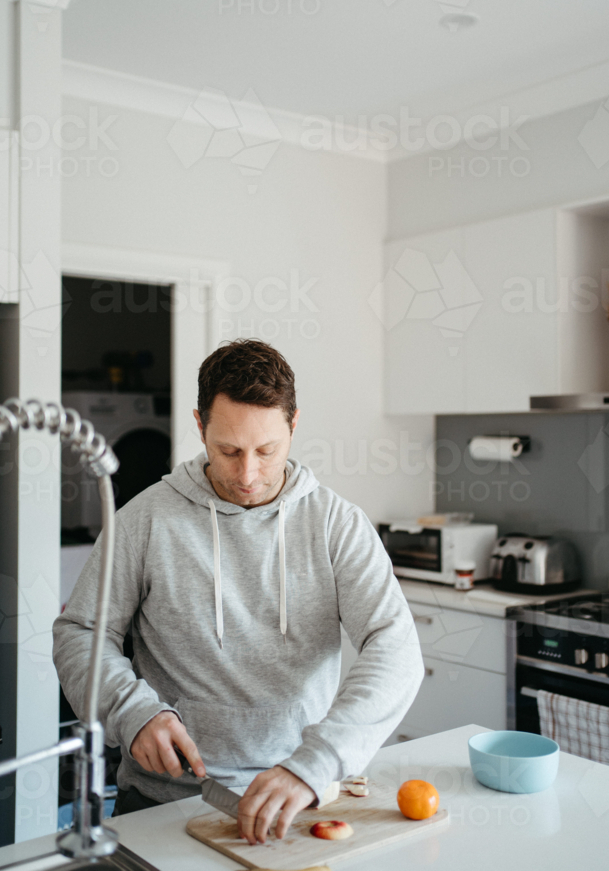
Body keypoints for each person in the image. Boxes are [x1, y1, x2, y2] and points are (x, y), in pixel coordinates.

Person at [53, 339, 424, 846]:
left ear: (293, 427)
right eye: (228, 450)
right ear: (200, 427)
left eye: (266, 450)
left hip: (300, 795)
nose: (247, 475)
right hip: (166, 800)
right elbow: (81, 632)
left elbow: (395, 645)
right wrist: (132, 712)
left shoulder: (338, 525)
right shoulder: (145, 520)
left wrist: (318, 761)